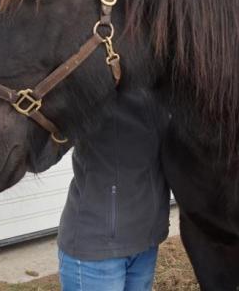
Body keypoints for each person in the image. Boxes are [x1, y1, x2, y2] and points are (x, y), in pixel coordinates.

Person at [53, 89, 171, 291]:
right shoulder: (91, 92)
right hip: (97, 252)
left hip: (146, 243)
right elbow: (43, 149)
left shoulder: (160, 89)